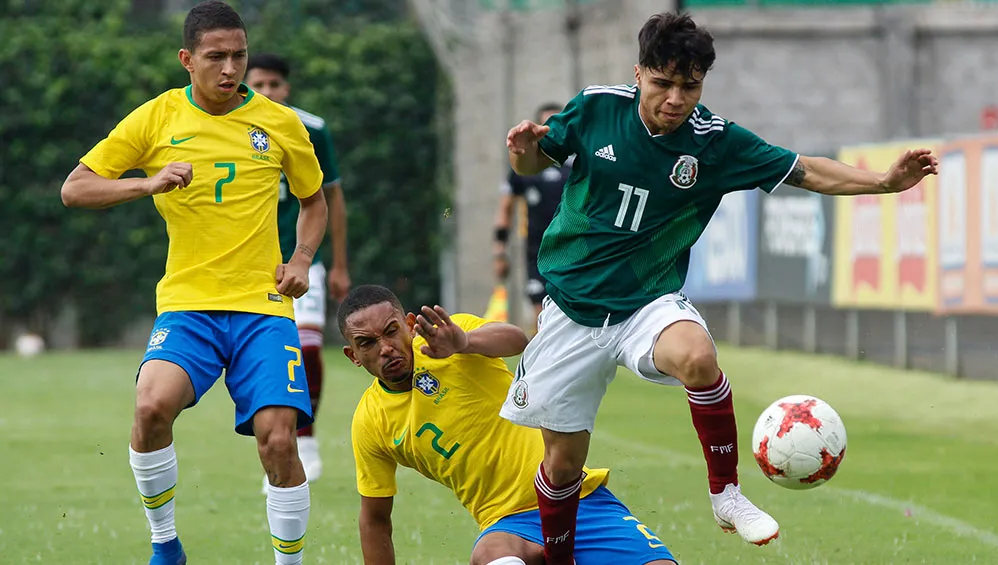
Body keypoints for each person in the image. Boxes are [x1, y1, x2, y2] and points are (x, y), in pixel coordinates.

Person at [499, 11, 938, 564]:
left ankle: (726, 493)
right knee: (562, 465)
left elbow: (805, 170)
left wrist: (884, 182)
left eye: (690, 85)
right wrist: (522, 149)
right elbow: (537, 156)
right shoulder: (596, 108)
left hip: (645, 303)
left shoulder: (715, 141)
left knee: (697, 356)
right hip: (571, 310)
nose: (676, 98)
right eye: (663, 83)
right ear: (639, 74)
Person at [59, 2, 328, 564]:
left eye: (239, 55)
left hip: (263, 307)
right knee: (150, 407)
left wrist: (302, 257)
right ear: (187, 59)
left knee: (280, 440)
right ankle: (165, 545)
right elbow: (76, 189)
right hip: (188, 305)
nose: (230, 69)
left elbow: (314, 201)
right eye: (216, 57)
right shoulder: (156, 118)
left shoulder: (281, 123)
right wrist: (147, 184)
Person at [341, 285, 678, 565]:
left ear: (409, 324)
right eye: (367, 343)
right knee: (492, 557)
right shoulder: (371, 422)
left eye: (391, 331)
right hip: (510, 525)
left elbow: (518, 340)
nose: (385, 348)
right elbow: (374, 519)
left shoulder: (450, 338)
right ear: (353, 355)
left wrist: (464, 343)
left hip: (580, 499)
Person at [246, 52, 351, 487]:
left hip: (304, 258)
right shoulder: (233, 126)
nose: (267, 93)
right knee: (263, 354)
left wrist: (340, 264)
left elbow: (332, 199)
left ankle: (304, 439)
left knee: (307, 347)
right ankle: (277, 441)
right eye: (260, 85)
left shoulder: (312, 129)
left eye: (275, 85)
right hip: (251, 262)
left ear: (286, 89)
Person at [493, 102, 570, 327]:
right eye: (547, 125)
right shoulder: (524, 168)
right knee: (542, 316)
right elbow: (505, 209)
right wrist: (499, 251)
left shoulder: (578, 162)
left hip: (574, 248)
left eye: (557, 124)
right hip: (537, 250)